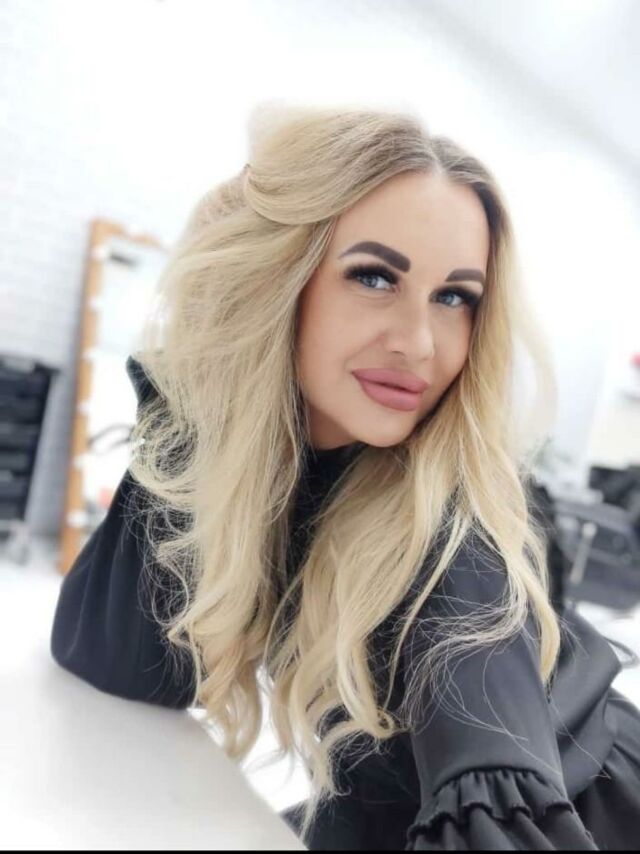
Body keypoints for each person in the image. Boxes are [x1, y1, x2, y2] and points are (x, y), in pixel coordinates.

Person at [51, 102, 640, 850]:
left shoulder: (450, 546)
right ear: (275, 280)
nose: (419, 343)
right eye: (373, 277)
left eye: (455, 297)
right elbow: (115, 662)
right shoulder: (292, 472)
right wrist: (202, 401)